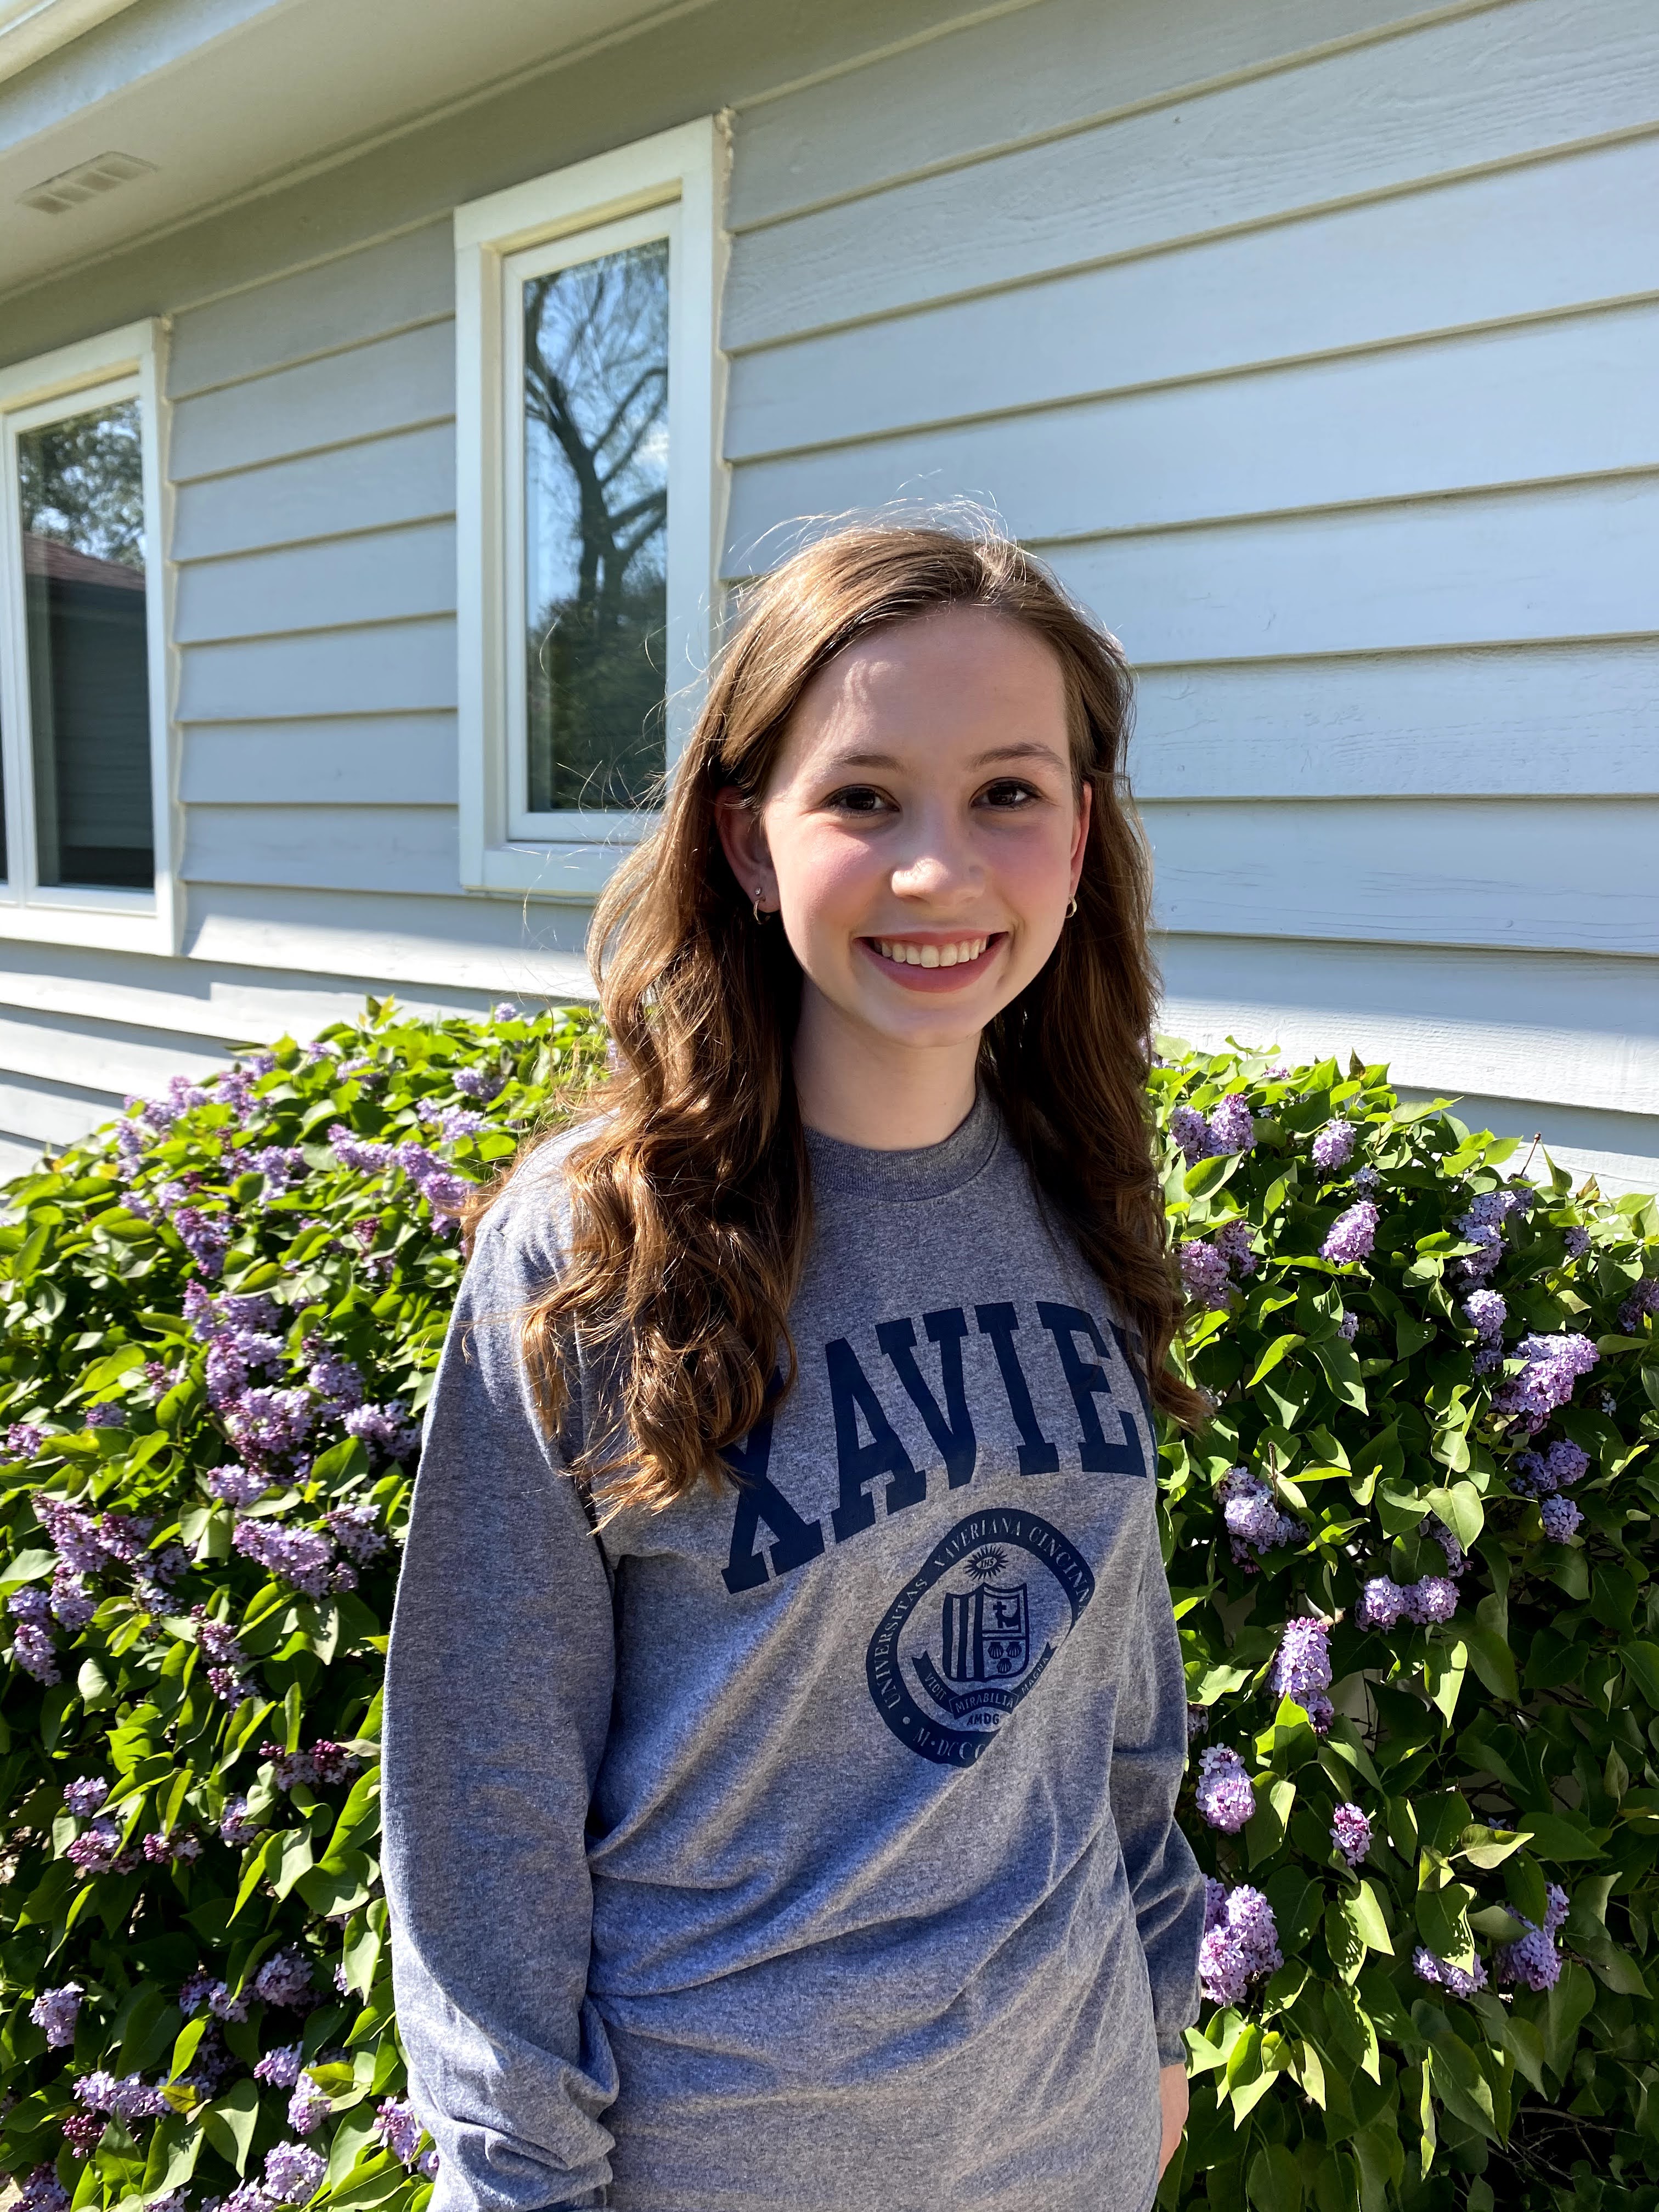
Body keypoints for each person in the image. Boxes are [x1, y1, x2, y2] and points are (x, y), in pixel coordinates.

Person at [382, 520, 1208, 2212]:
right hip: (721, 2163)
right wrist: (519, 2181)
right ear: (748, 843)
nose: (938, 871)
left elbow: (1110, 1672)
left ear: (1082, 830)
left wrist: (1161, 2013)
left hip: (1067, 2135)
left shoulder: (1079, 1196)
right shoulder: (591, 1257)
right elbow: (487, 1791)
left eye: (1007, 793)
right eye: (863, 799)